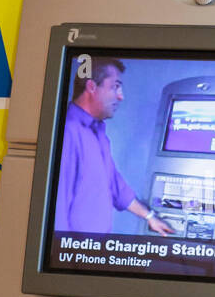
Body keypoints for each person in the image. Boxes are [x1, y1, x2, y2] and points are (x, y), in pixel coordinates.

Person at [54, 58, 172, 236]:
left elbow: (116, 187)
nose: (121, 96)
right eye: (115, 86)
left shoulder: (98, 133)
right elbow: (57, 208)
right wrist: (61, 258)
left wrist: (149, 217)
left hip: (91, 254)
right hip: (73, 256)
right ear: (92, 87)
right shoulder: (68, 131)